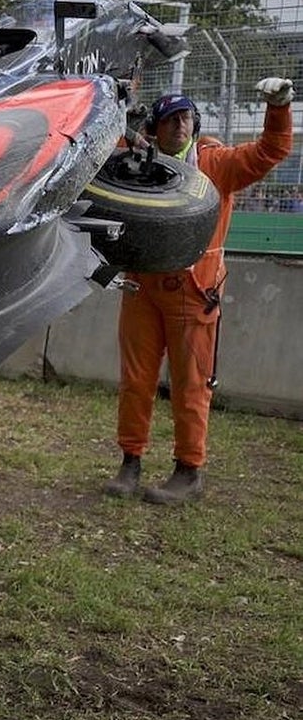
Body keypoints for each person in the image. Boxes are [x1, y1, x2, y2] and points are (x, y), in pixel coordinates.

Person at [104, 78, 294, 504]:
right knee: (136, 380)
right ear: (153, 130)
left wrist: (279, 108)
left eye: (186, 117)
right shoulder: (131, 159)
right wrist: (116, 99)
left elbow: (270, 150)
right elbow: (97, 146)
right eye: (170, 119)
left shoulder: (216, 164)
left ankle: (189, 471)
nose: (180, 125)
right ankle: (129, 462)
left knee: (192, 384)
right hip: (141, 283)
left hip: (193, 289)